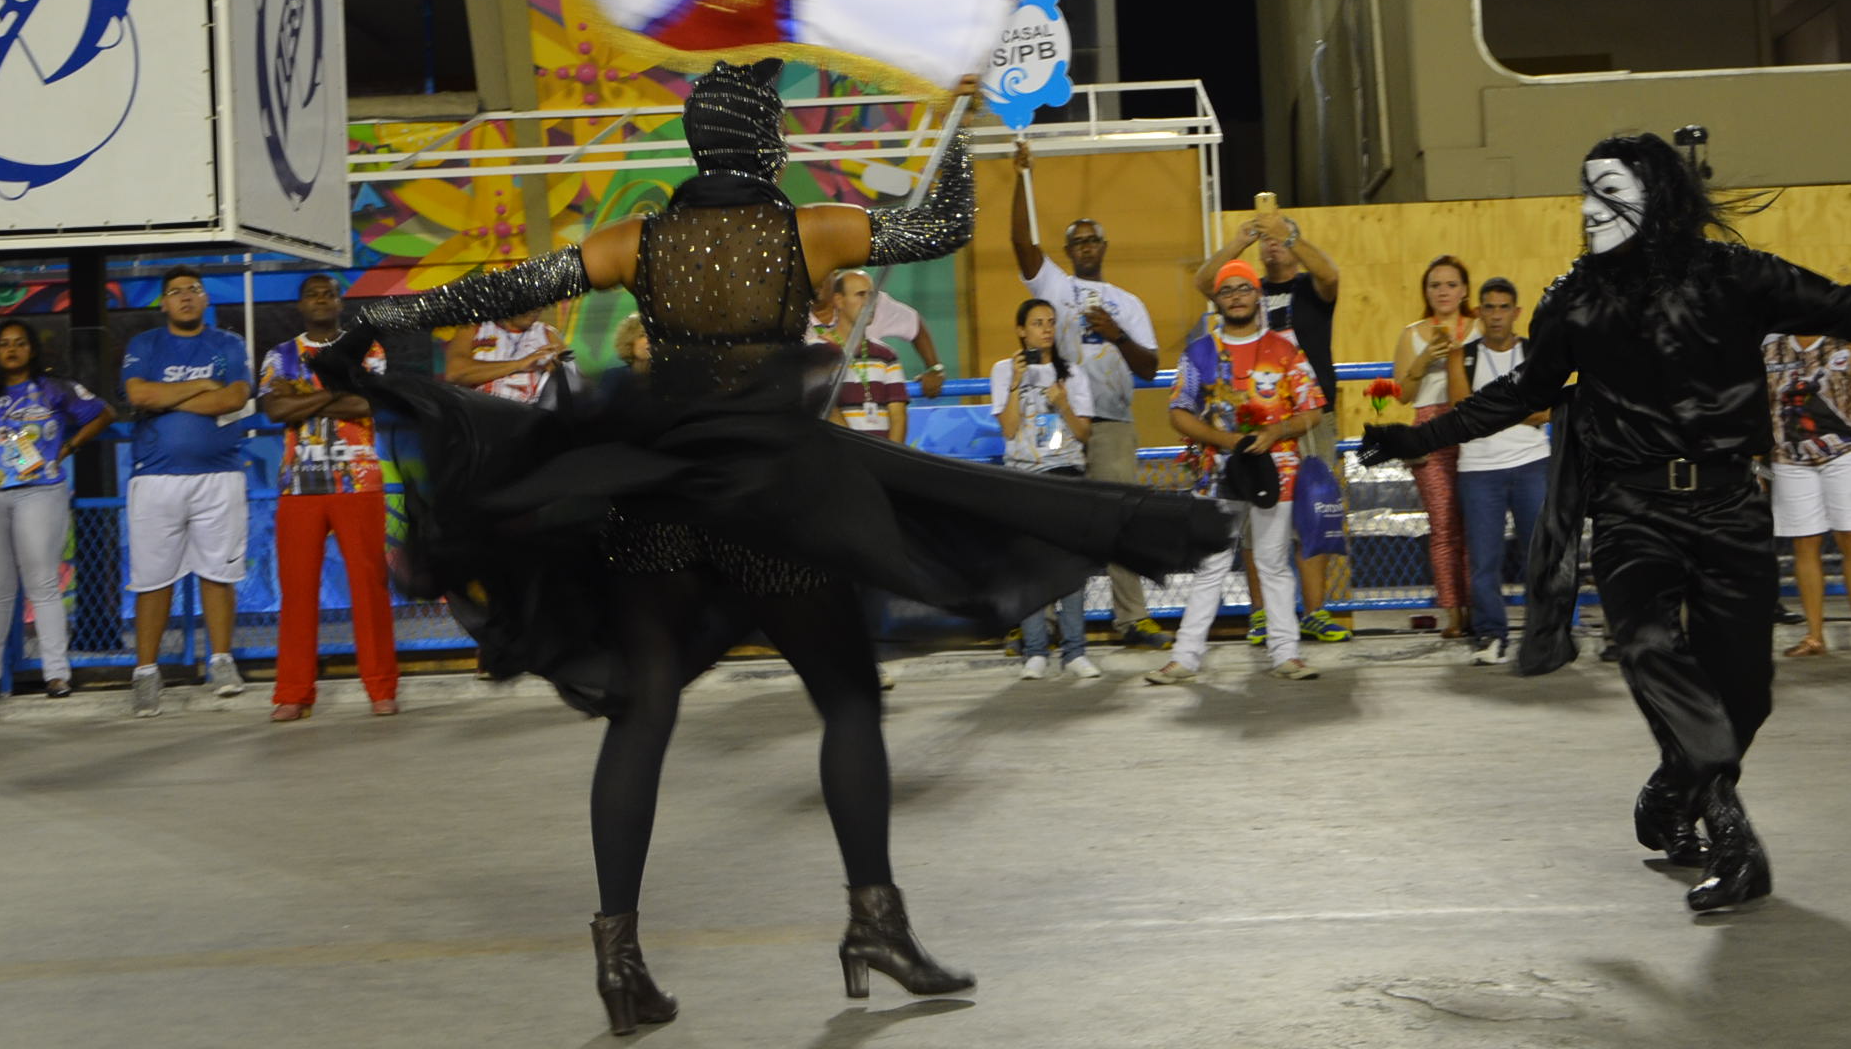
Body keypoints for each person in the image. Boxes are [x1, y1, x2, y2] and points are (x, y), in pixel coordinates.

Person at [327, 60, 1222, 1035]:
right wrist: (960, 127)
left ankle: (619, 960)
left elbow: (505, 287)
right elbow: (942, 228)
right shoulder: (808, 229)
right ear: (766, 141)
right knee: (843, 700)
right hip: (777, 502)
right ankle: (873, 923)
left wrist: (383, 315)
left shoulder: (638, 241)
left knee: (642, 718)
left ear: (695, 142)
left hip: (661, 503)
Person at [1360, 133, 1851, 914]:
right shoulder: (1576, 296)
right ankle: (1732, 836)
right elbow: (1518, 390)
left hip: (1729, 504)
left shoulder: (1738, 276)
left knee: (1745, 695)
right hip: (1633, 508)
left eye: (1610, 191)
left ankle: (1670, 790)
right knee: (1653, 650)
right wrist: (1414, 439)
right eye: (1585, 192)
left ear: (1657, 196)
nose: (1589, 209)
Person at [1009, 136, 1167, 647]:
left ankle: (1131, 618)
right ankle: (1043, 620)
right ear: (1069, 252)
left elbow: (1150, 368)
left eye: (1093, 239)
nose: (1086, 246)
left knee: (1122, 522)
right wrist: (1019, 177)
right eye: (1077, 242)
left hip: (1115, 424)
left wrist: (1117, 333)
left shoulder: (1130, 302)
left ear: (1104, 246)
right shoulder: (1056, 288)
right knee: (1053, 525)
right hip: (1059, 423)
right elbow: (1020, 246)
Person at [1144, 260, 1328, 685]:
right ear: (1218, 300)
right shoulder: (1199, 352)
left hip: (1276, 473)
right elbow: (1178, 412)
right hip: (1217, 473)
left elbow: (1313, 409)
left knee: (1273, 563)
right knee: (1211, 565)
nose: (1237, 297)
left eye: (1245, 289)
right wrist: (1226, 441)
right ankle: (1186, 658)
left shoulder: (1286, 351)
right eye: (1228, 291)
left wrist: (1277, 429)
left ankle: (1287, 653)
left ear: (1257, 296)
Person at [1196, 210, 1351, 642]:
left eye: (1276, 237)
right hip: (1256, 417)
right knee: (1254, 514)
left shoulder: (1310, 288)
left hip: (1309, 416)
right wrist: (1240, 242)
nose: (1272, 243)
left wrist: (1292, 235)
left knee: (1313, 510)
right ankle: (1262, 615)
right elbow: (1206, 282)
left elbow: (1331, 274)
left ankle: (1316, 611)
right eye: (1267, 239)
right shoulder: (1247, 291)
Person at [257, 275, 396, 722]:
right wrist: (337, 395)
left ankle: (381, 687)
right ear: (300, 304)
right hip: (298, 487)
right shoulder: (279, 355)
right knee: (296, 592)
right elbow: (274, 410)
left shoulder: (367, 349)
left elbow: (371, 405)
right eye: (312, 293)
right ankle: (293, 692)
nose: (321, 299)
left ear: (340, 302)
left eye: (329, 293)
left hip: (359, 482)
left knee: (369, 588)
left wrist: (305, 395)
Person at [121, 267, 256, 715]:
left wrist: (169, 396)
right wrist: (199, 385)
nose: (184, 297)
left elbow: (233, 398)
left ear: (205, 299)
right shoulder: (145, 345)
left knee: (219, 572)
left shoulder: (228, 345)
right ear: (163, 303)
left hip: (220, 476)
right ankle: (146, 674)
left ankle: (221, 661)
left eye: (193, 290)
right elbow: (139, 395)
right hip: (155, 477)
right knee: (152, 578)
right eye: (175, 292)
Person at [0, 320, 108, 703]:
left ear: (32, 349)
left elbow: (102, 413)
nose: (12, 350)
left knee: (42, 581)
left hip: (40, 491)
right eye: (4, 344)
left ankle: (56, 675)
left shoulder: (54, 389)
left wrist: (69, 447)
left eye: (20, 343)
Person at [988, 299, 1099, 680]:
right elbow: (1007, 428)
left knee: (1069, 566)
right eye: (1037, 323)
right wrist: (1018, 385)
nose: (1046, 329)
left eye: (1050, 322)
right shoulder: (1004, 370)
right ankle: (1035, 650)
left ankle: (1075, 651)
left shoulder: (1073, 374)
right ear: (1021, 330)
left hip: (1065, 472)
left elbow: (1085, 433)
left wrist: (1064, 404)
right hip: (1023, 475)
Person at [1763, 332, 1851, 659]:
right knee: (1804, 542)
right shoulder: (1768, 349)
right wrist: (1757, 468)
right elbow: (1759, 409)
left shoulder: (1848, 346)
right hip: (1789, 459)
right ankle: (1814, 635)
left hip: (1846, 452)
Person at [1449, 279, 1552, 666]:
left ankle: (1543, 635)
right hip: (1479, 470)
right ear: (1479, 312)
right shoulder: (1462, 356)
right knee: (1483, 561)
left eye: (1503, 307)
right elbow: (1464, 414)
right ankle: (1491, 634)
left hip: (1531, 464)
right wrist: (1520, 413)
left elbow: (1548, 409)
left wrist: (1493, 411)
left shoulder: (1535, 352)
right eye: (1489, 308)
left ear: (1516, 312)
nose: (1496, 315)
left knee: (1541, 556)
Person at [1392, 255, 1475, 636]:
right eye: (1435, 285)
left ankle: (1481, 607)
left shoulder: (1479, 327)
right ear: (1426, 292)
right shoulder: (1411, 334)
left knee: (1477, 525)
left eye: (1451, 284)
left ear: (1465, 290)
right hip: (1429, 429)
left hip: (1474, 428)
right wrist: (1424, 359)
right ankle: (1453, 613)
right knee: (1443, 527)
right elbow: (1403, 396)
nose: (1443, 291)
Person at [805, 278, 947, 400]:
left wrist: (934, 368)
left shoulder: (867, 302)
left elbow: (914, 323)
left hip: (869, 412)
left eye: (820, 273)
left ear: (834, 275)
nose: (814, 280)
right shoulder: (787, 310)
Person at [817, 272, 911, 443]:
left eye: (872, 295)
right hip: (838, 461)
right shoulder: (815, 352)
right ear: (839, 301)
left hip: (880, 462)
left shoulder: (887, 356)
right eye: (861, 294)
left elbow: (898, 417)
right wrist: (859, 456)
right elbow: (827, 410)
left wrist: (891, 459)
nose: (870, 302)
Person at [445, 309, 576, 404]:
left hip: (528, 419)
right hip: (479, 414)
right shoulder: (475, 328)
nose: (536, 310)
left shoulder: (548, 335)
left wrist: (558, 371)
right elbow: (454, 373)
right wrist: (520, 364)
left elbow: (577, 384)